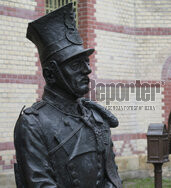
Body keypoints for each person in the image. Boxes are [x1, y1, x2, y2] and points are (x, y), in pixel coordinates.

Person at [14, 3, 122, 188]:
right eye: (75, 65)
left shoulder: (96, 117)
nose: (87, 70)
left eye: (86, 62)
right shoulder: (33, 124)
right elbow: (41, 184)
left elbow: (112, 176)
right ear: (50, 74)